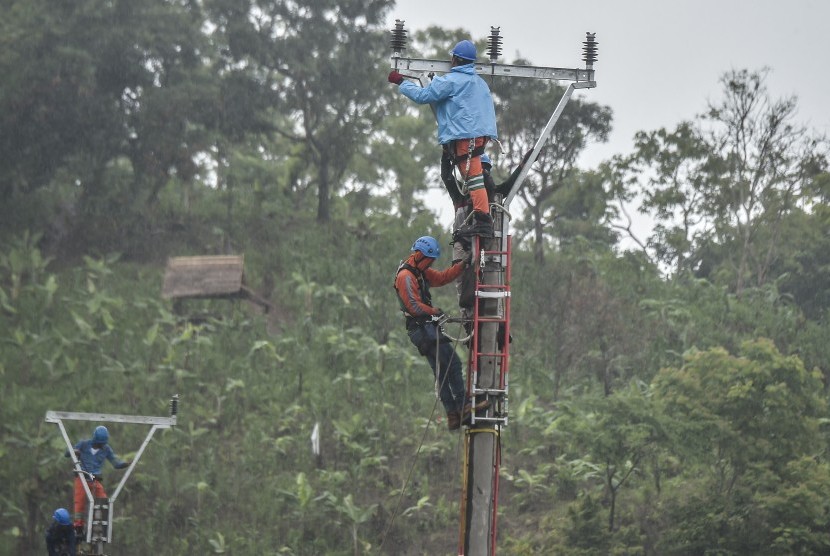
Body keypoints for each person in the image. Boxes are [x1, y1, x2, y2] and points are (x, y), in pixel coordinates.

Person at [388, 39, 498, 237]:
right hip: (480, 136)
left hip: (465, 137)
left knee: (473, 180)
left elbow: (423, 96)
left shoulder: (451, 81)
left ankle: (483, 221)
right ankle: (482, 218)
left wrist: (402, 82)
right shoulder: (479, 83)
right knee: (473, 177)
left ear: (455, 59)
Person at [394, 236, 480, 430]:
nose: (431, 264)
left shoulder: (419, 271)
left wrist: (463, 264)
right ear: (419, 255)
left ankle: (453, 415)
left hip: (426, 328)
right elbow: (414, 306)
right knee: (453, 364)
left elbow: (441, 278)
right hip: (422, 329)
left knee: (442, 371)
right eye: (429, 260)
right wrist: (434, 311)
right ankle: (463, 408)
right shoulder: (406, 277)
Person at [65, 425, 130, 531]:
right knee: (79, 501)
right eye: (99, 443)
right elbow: (67, 453)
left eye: (102, 444)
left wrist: (125, 464)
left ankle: (99, 521)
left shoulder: (106, 449)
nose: (100, 446)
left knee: (103, 500)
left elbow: (115, 464)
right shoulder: (83, 444)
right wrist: (74, 452)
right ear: (95, 439)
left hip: (95, 478)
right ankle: (78, 525)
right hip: (82, 477)